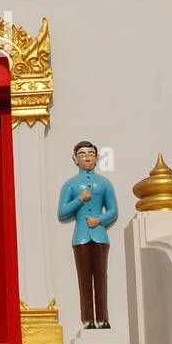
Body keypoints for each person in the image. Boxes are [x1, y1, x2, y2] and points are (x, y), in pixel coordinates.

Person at [57, 140, 118, 329]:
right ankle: (88, 319)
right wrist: (79, 200)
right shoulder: (71, 184)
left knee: (101, 278)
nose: (87, 158)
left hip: (99, 235)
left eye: (90, 154)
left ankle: (103, 317)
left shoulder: (104, 183)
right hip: (81, 236)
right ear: (75, 158)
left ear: (97, 158)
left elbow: (113, 210)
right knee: (84, 279)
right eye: (82, 154)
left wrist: (99, 220)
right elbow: (62, 212)